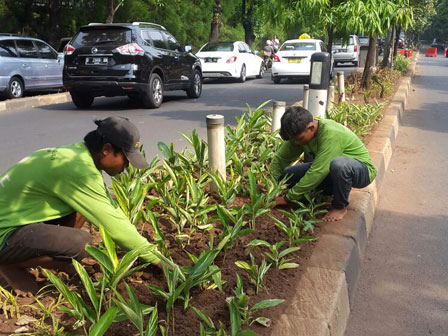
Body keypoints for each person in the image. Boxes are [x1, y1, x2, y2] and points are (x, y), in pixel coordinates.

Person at [0, 116, 160, 296]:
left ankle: (60, 260)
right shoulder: (78, 171)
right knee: (81, 243)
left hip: (18, 220)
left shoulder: (78, 156)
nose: (127, 166)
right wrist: (159, 260)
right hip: (5, 232)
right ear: (106, 149)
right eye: (126, 158)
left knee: (84, 208)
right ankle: (8, 264)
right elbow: (114, 226)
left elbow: (109, 209)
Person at [271, 106, 376, 222]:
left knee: (339, 165)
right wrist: (273, 188)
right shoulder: (300, 132)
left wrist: (288, 198)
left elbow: (318, 171)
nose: (296, 143)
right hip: (330, 169)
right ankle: (332, 188)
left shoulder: (330, 134)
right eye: (294, 139)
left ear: (311, 128)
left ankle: (340, 206)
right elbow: (280, 159)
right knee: (287, 175)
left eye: (299, 139)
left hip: (361, 170)